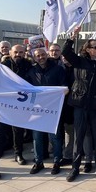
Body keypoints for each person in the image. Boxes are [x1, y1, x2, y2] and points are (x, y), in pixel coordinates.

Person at [62, 27, 96, 182]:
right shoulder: (80, 61)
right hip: (80, 105)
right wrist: (73, 36)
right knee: (79, 138)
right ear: (88, 49)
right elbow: (65, 51)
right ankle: (75, 168)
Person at [26, 47, 66, 175]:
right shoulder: (31, 71)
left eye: (43, 54)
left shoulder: (58, 69)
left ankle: (56, 161)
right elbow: (25, 89)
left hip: (53, 108)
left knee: (55, 137)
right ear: (34, 57)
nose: (41, 57)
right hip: (37, 110)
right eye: (38, 55)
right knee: (37, 137)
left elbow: (64, 86)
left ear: (47, 54)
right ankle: (38, 162)